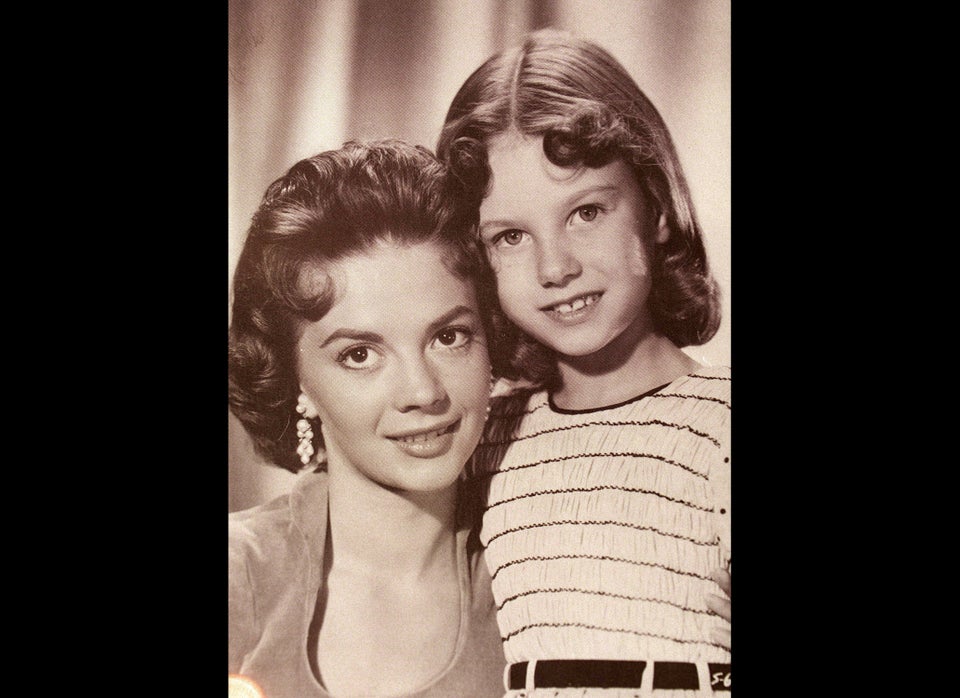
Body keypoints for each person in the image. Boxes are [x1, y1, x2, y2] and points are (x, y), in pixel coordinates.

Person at [436, 29, 732, 695]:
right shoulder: (483, 440)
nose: (555, 267)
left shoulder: (722, 430)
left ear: (656, 206)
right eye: (511, 236)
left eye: (586, 212)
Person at [227, 139, 508, 697]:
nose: (422, 392)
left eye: (449, 337)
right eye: (360, 354)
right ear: (296, 380)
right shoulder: (238, 575)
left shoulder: (545, 570)